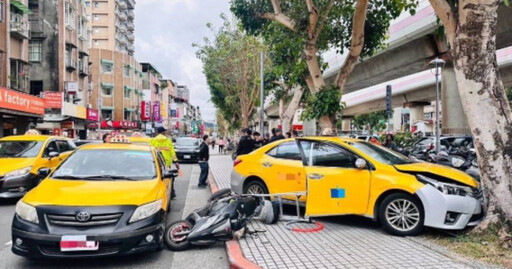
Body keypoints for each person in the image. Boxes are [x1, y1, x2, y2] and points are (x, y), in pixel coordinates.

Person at [150, 127, 179, 199]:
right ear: (163, 132)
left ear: (157, 132)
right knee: (168, 178)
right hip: (166, 163)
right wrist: (176, 161)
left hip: (156, 163)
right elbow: (172, 152)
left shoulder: (153, 140)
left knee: (157, 179)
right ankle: (171, 193)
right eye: (165, 132)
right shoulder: (168, 141)